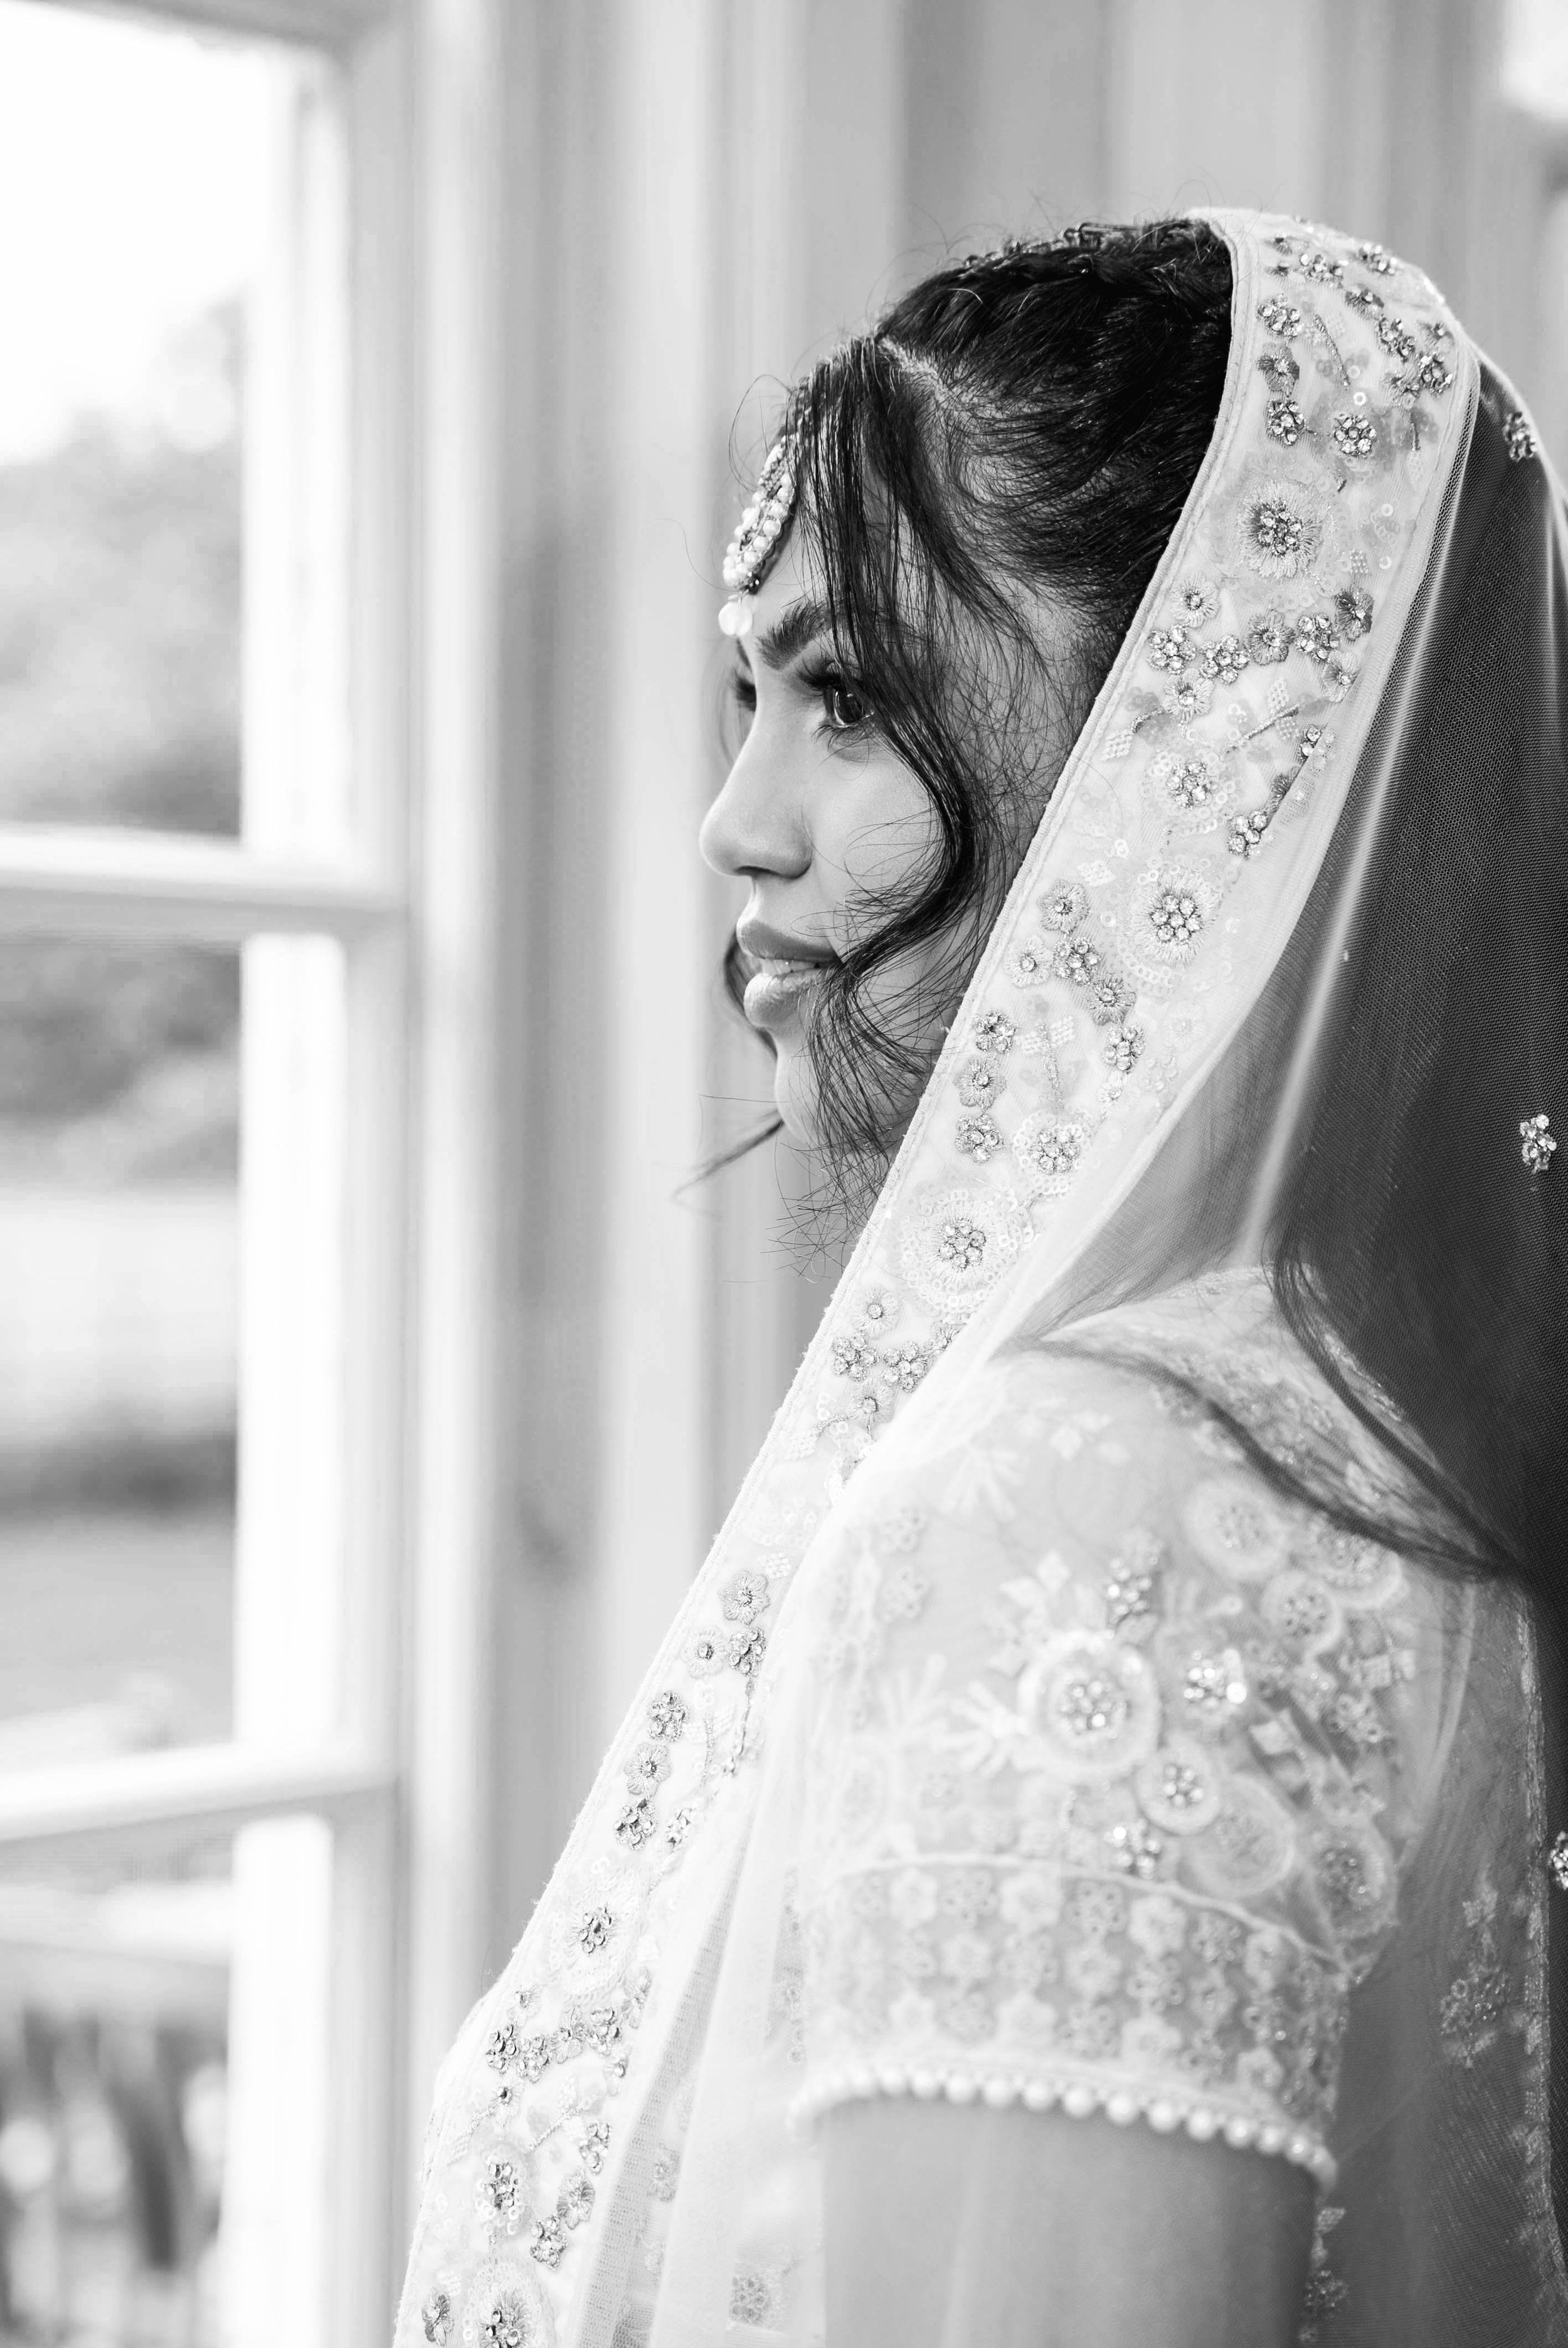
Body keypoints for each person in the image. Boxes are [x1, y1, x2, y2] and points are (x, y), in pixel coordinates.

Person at [395, 211, 1568, 2347]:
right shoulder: (1376, 1418)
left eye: (848, 694)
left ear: (1207, 762)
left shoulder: (1085, 1502)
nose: (729, 825)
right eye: (746, 696)